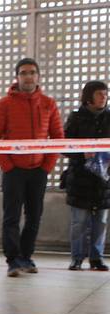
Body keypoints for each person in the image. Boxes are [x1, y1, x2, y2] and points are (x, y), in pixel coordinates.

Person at [0, 58, 63, 277]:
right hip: (14, 172)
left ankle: (26, 257)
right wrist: (8, 166)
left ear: (38, 76)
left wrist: (46, 167)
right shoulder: (4, 104)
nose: (28, 76)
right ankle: (13, 260)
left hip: (38, 170)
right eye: (23, 73)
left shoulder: (49, 104)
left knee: (34, 215)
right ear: (17, 77)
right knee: (11, 216)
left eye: (32, 72)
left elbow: (58, 137)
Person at [62, 81, 110, 271]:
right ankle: (77, 258)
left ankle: (96, 258)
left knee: (101, 222)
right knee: (79, 222)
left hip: (104, 180)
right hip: (80, 178)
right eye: (99, 94)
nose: (103, 98)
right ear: (88, 96)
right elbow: (64, 146)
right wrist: (82, 154)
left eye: (105, 94)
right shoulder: (76, 118)